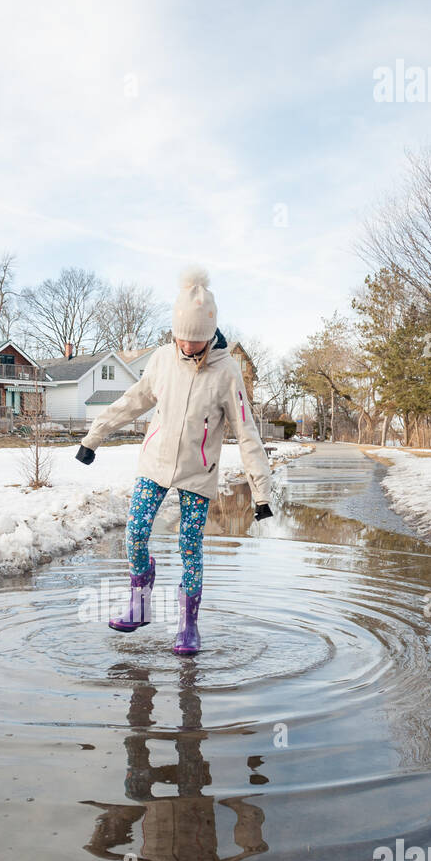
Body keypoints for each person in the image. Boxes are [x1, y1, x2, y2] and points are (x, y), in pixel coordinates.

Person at [75, 267, 273, 655]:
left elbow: (247, 432)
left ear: (208, 335)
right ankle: (141, 602)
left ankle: (188, 624)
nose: (185, 343)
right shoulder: (163, 360)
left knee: (189, 546)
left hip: (198, 474)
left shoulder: (227, 372)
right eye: (180, 335)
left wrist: (261, 492)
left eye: (194, 338)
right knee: (134, 532)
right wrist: (94, 437)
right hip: (155, 464)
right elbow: (132, 401)